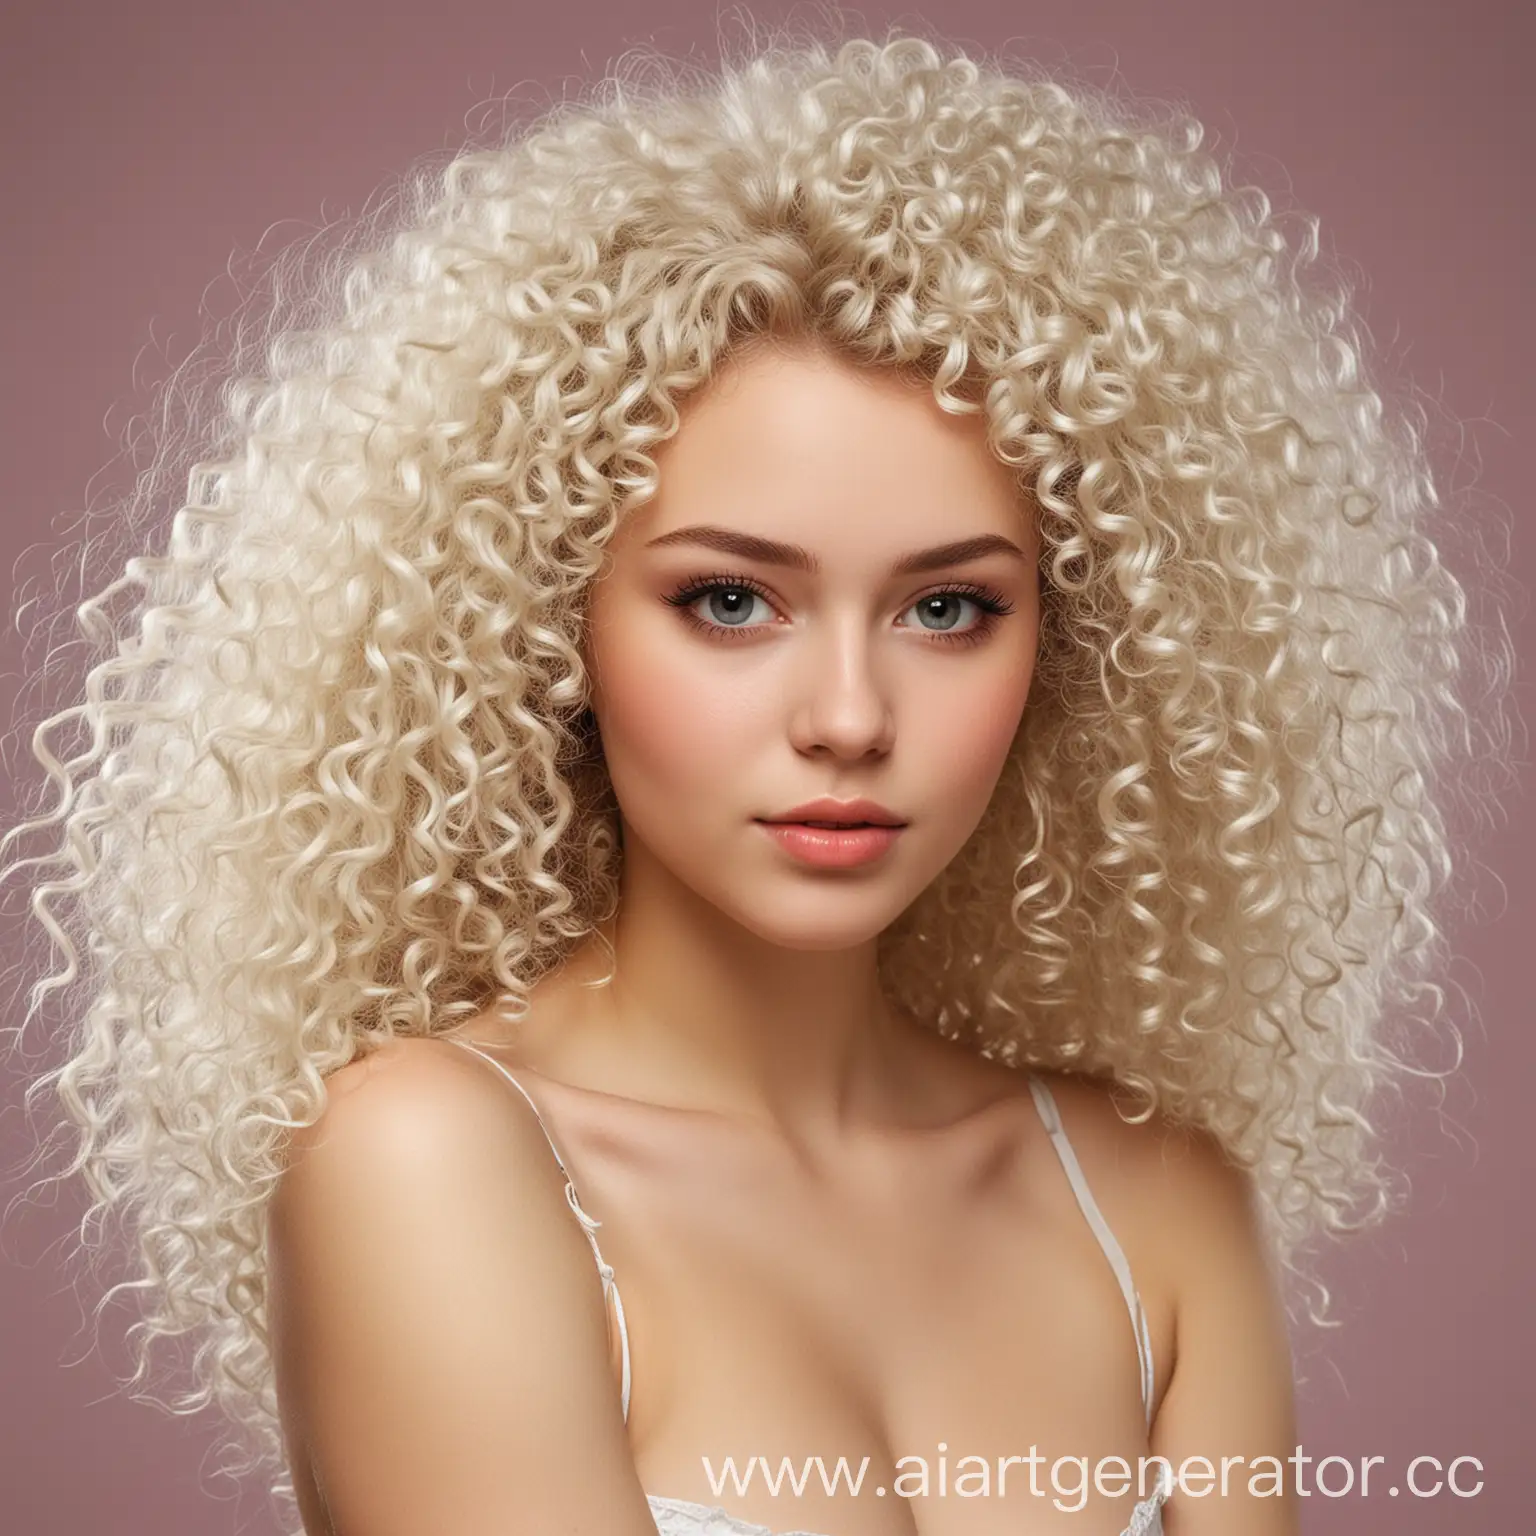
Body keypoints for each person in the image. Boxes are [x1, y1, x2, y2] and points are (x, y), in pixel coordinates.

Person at [0, 24, 1507, 1536]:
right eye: (730, 601)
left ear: (1071, 652)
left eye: (949, 607)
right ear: (551, 622)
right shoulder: (430, 1161)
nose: (850, 716)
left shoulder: (1160, 1204)